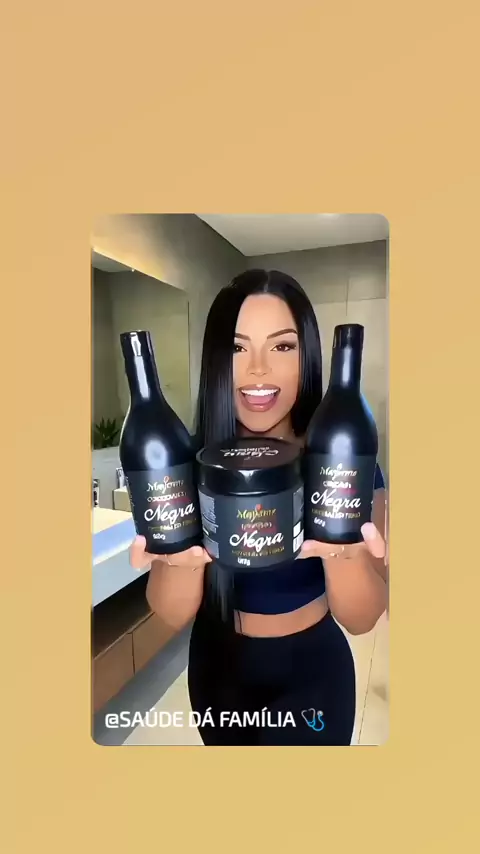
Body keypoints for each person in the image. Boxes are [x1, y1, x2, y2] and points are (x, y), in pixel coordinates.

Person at [130, 270, 388, 745]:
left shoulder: (345, 463)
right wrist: (177, 562)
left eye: (282, 346)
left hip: (314, 673)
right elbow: (170, 614)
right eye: (237, 347)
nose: (258, 371)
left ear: (308, 357)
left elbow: (362, 618)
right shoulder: (184, 465)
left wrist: (345, 558)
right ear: (215, 360)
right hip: (218, 669)